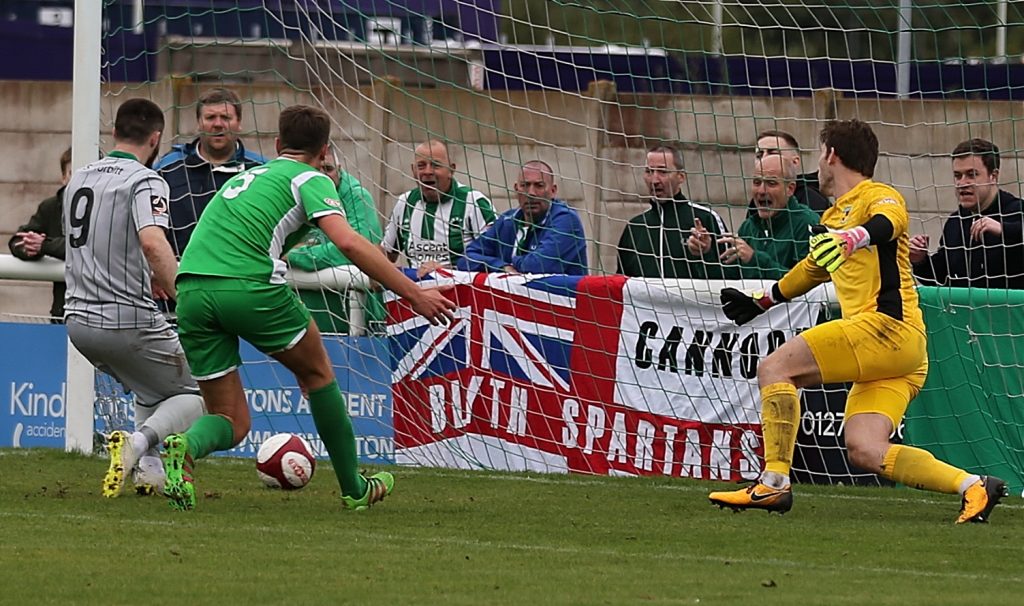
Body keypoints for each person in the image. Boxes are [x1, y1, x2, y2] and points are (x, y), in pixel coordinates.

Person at [709, 119, 1006, 524]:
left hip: (886, 328)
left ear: (831, 156)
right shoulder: (832, 216)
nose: (818, 163)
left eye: (819, 154)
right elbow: (812, 268)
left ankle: (773, 484)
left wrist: (853, 237)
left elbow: (890, 223)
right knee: (865, 448)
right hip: (900, 353)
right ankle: (972, 485)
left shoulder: (877, 195)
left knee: (774, 368)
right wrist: (764, 300)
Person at [163, 105, 458, 512]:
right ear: (324, 152)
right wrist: (415, 294)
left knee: (231, 420)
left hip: (191, 290)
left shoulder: (248, 174)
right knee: (319, 373)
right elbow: (351, 243)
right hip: (248, 286)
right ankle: (354, 488)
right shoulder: (311, 178)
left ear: (277, 144)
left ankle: (186, 447)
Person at [62, 98, 205, 498]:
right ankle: (137, 445)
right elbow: (152, 243)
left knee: (152, 390)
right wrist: (183, 296)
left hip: (77, 321)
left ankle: (150, 472)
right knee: (204, 390)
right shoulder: (146, 179)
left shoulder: (80, 177)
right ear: (156, 138)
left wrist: (146, 277)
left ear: (114, 133)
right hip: (124, 318)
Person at [154, 87, 266, 257]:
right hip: (180, 274)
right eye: (210, 117)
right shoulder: (167, 168)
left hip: (238, 275)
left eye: (226, 117)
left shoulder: (261, 171)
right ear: (199, 123)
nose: (218, 124)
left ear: (239, 123)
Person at [287, 148, 386, 333]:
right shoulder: (293, 193)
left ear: (339, 169)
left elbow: (358, 251)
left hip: (357, 319)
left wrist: (297, 255)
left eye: (329, 169)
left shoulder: (358, 197)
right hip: (304, 312)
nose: (323, 176)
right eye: (317, 169)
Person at [909, 138, 1024, 290]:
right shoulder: (955, 222)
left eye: (972, 175)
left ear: (993, 176)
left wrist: (1004, 230)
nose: (962, 183)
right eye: (958, 176)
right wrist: (920, 260)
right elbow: (941, 279)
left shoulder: (1018, 211)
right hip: (965, 313)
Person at [616, 144, 733, 279]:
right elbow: (621, 284)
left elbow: (731, 277)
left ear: (681, 177)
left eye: (663, 172)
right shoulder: (635, 227)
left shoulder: (706, 219)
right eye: (649, 172)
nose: (654, 180)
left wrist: (705, 254)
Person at [381, 139, 496, 276]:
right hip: (418, 291)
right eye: (421, 165)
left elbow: (495, 257)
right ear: (413, 170)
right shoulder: (405, 202)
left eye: (435, 165)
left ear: (451, 169)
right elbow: (386, 253)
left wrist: (446, 270)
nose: (428, 171)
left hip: (462, 291)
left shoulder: (473, 202)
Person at [457, 160, 588, 275]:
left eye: (539, 186)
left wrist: (512, 261)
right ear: (516, 189)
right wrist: (501, 266)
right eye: (525, 185)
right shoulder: (507, 221)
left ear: (553, 191)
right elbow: (466, 258)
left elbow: (536, 266)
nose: (531, 193)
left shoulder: (566, 220)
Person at [719, 154, 820, 279]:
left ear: (790, 189)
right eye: (757, 182)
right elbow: (728, 280)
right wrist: (705, 253)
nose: (761, 191)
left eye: (771, 183)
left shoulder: (808, 224)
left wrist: (755, 259)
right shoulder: (749, 227)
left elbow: (807, 283)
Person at [9, 146, 72, 322]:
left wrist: (45, 246)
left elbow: (89, 247)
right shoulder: (50, 207)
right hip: (62, 311)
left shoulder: (106, 208)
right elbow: (18, 241)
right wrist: (30, 248)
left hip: (102, 315)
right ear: (63, 177)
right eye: (72, 173)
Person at [755, 130, 831, 213]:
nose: (764, 159)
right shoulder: (757, 199)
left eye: (773, 153)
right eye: (759, 155)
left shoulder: (812, 200)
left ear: (795, 162)